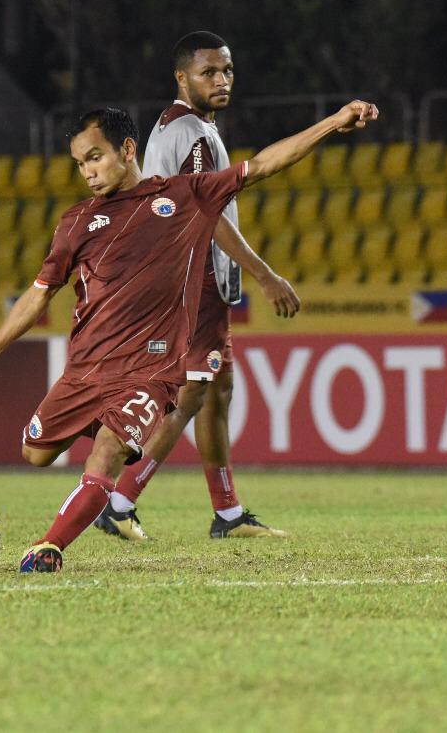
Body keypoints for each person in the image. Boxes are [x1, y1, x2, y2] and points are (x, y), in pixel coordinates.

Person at [0, 98, 378, 573]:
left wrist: (334, 121)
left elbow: (264, 164)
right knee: (35, 453)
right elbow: (37, 297)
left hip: (149, 372)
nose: (88, 173)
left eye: (95, 157)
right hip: (85, 370)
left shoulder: (186, 196)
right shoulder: (76, 222)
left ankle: (50, 547)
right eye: (80, 164)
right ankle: (105, 438)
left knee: (109, 453)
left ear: (126, 149)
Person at [95, 30, 299, 542]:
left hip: (190, 278)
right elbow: (205, 213)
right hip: (195, 281)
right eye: (209, 71)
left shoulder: (187, 128)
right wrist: (265, 274)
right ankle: (119, 502)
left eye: (227, 70)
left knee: (215, 390)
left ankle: (227, 513)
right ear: (182, 77)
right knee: (192, 392)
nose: (222, 79)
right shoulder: (189, 131)